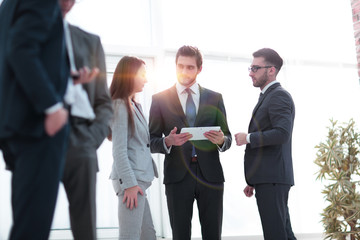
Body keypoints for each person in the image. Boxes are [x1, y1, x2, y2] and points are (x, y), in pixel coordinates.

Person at [0, 0, 69, 239]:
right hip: (38, 126)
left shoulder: (8, 4)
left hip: (16, 124)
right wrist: (51, 106)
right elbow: (20, 49)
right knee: (32, 228)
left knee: (25, 221)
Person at [149, 45, 232, 240]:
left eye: (190, 67)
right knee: (180, 234)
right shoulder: (159, 99)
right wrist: (167, 142)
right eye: (180, 66)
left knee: (213, 235)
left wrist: (222, 141)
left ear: (199, 69)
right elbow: (151, 141)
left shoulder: (215, 98)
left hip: (210, 177)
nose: (184, 71)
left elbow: (227, 138)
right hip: (177, 177)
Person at [58, 0, 113, 239]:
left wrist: (91, 140)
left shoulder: (91, 42)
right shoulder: (21, 34)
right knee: (32, 224)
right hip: (37, 139)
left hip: (82, 139)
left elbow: (103, 101)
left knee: (85, 230)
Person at [235, 48, 297, 240]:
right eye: (250, 67)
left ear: (271, 70)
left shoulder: (279, 96)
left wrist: (248, 138)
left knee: (276, 234)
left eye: (255, 68)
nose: (250, 72)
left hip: (273, 179)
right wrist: (254, 180)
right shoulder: (268, 96)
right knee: (283, 234)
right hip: (268, 179)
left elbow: (281, 134)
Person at [109, 56, 158, 240]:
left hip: (138, 182)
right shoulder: (120, 105)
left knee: (149, 235)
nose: (146, 79)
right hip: (131, 182)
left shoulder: (134, 105)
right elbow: (119, 150)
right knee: (130, 236)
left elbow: (142, 143)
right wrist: (129, 185)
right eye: (143, 75)